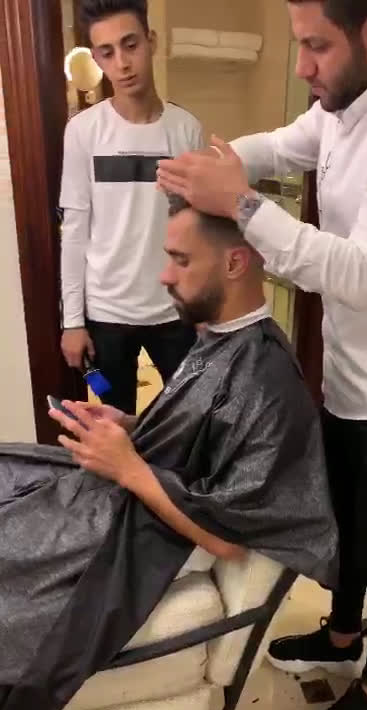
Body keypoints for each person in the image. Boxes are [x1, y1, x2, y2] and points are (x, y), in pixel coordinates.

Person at [157, 0, 367, 710]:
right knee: (340, 520)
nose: (302, 65)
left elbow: (361, 272)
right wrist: (207, 164)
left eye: (315, 46)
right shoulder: (345, 97)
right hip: (349, 369)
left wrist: (240, 204)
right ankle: (341, 636)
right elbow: (279, 146)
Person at [0, 194, 338, 710]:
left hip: (132, 536)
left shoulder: (268, 384)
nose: (164, 275)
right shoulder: (220, 338)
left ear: (234, 263)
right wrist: (129, 426)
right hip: (113, 499)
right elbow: (193, 436)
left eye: (180, 260)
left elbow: (229, 541)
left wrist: (129, 468)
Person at [60, 0, 203, 413]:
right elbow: (74, 231)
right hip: (105, 316)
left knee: (184, 421)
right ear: (97, 59)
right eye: (107, 52)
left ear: (150, 42)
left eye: (130, 45)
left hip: (174, 313)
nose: (122, 63)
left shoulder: (186, 130)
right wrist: (73, 323)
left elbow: (198, 228)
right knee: (112, 417)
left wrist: (204, 307)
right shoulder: (83, 131)